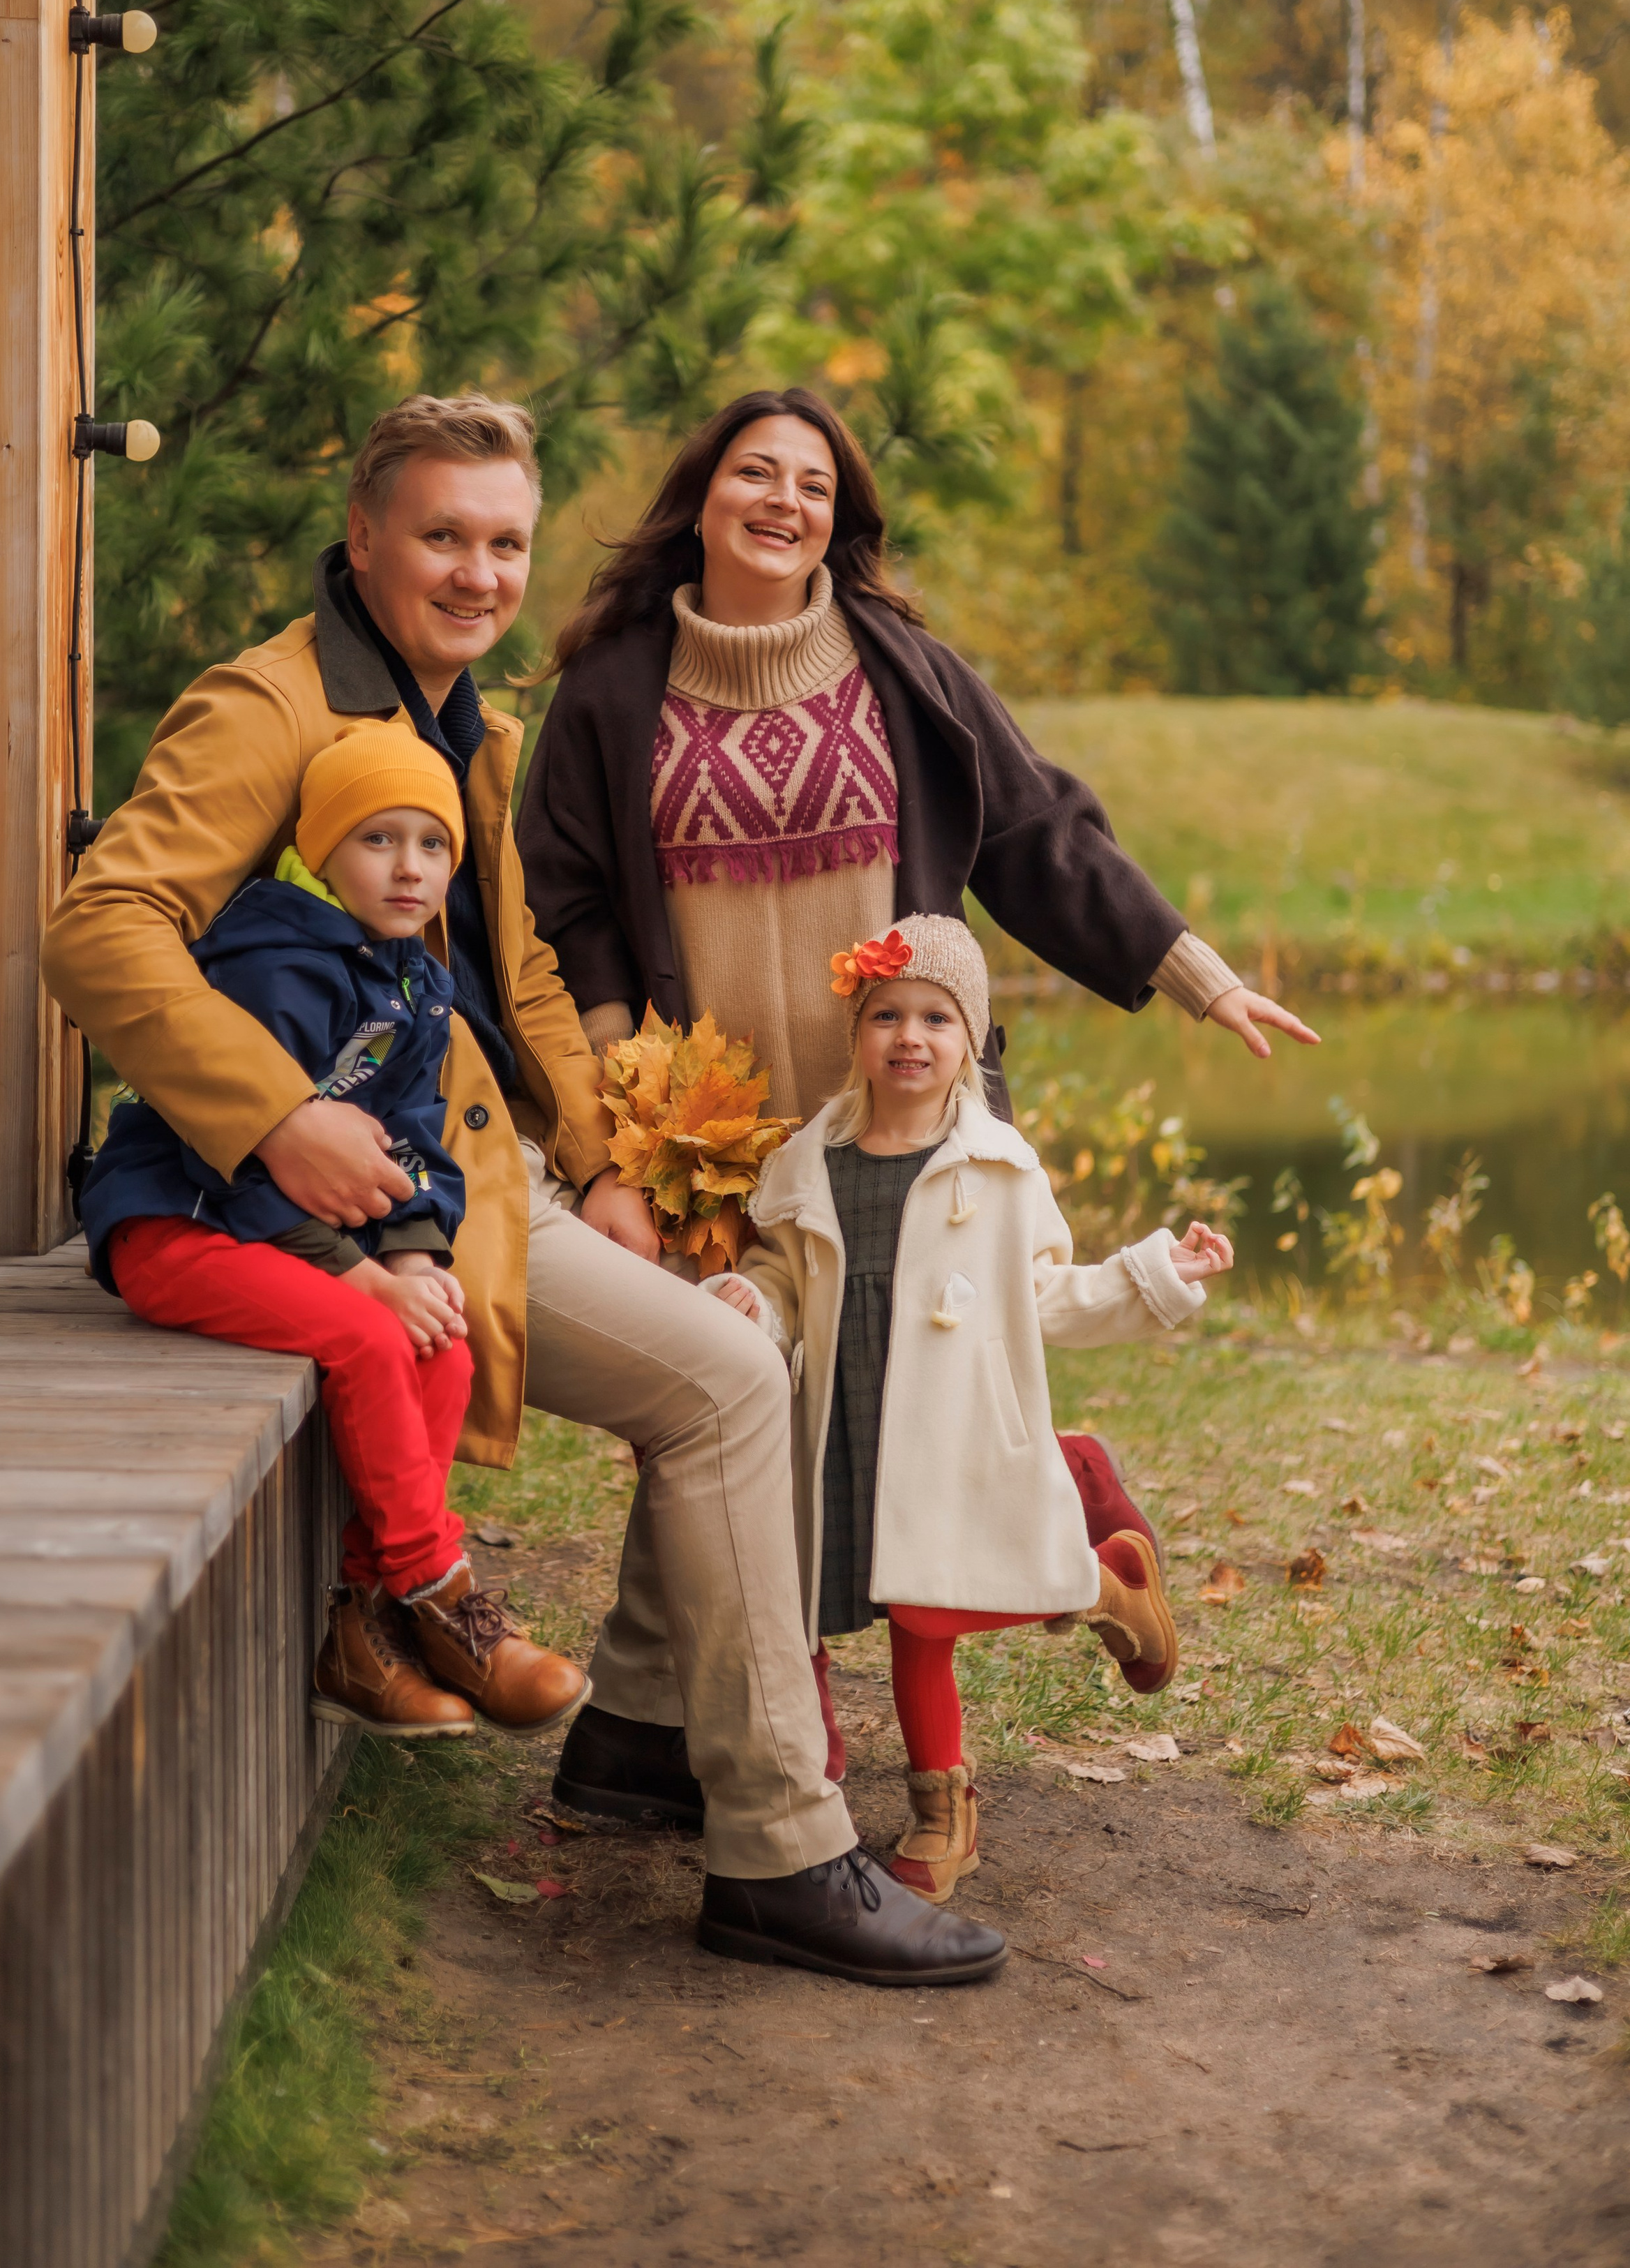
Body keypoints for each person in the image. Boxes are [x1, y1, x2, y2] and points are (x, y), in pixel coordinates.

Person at [43, 391, 1005, 1987]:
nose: (476, 574)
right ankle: (779, 1842)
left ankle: (634, 1735)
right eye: (441, 536)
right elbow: (103, 927)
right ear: (362, 541)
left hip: (495, 1180)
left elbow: (530, 982)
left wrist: (605, 1166)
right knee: (723, 1379)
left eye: (503, 542)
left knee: (735, 1326)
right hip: (354, 1205)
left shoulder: (469, 726)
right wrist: (279, 1118)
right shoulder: (268, 707)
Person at [515, 382, 1306, 1711]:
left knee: (921, 1413)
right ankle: (732, 1719)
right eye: (757, 475)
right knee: (747, 1419)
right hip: (712, 1133)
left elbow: (1037, 829)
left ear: (839, 524)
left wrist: (1194, 973)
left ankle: (1019, 1544)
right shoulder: (610, 690)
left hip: (901, 1112)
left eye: (815, 487)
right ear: (702, 498)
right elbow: (569, 899)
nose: (784, 503)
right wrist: (613, 1098)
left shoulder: (899, 667)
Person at [79, 722, 587, 1742]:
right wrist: (356, 1277)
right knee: (366, 1337)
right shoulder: (273, 968)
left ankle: (361, 1630)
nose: (410, 869)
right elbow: (217, 1146)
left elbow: (411, 1141)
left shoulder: (413, 979)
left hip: (297, 1237)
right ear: (321, 851)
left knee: (440, 1334)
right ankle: (437, 1592)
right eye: (378, 841)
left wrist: (409, 1249)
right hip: (183, 1226)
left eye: (433, 845)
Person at [713, 915, 1234, 1902]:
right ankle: (954, 1771)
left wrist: (1161, 1272)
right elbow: (780, 1274)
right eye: (887, 1016)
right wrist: (755, 1301)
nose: (910, 1037)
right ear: (858, 1034)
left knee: (931, 1610)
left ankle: (963, 1782)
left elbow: (1047, 1296)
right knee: (882, 1607)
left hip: (953, 1429)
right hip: (846, 1423)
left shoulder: (1000, 1169)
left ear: (971, 1042)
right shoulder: (808, 1164)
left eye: (937, 1019)